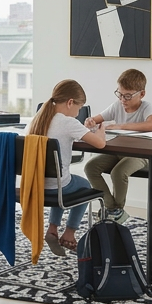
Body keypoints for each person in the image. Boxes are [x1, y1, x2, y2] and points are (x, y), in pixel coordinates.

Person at [26, 79, 109, 254]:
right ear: (70, 102)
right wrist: (101, 131)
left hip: (34, 186)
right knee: (84, 185)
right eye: (79, 109)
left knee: (61, 180)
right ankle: (69, 233)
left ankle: (52, 229)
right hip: (56, 187)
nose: (77, 113)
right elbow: (100, 144)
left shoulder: (36, 120)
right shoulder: (68, 123)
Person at [83, 68, 152, 224]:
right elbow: (96, 119)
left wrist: (121, 126)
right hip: (116, 152)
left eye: (128, 96)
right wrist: (90, 121)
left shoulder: (146, 107)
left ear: (142, 94)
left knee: (118, 172)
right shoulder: (117, 106)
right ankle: (112, 208)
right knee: (90, 167)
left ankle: (115, 211)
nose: (123, 100)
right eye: (120, 94)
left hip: (140, 155)